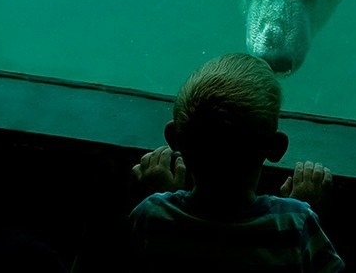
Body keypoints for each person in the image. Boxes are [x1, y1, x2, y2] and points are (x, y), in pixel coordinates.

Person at [128, 52, 345, 271]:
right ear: (276, 148)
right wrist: (306, 209)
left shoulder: (150, 216)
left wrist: (162, 200)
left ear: (173, 138)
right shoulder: (297, 224)